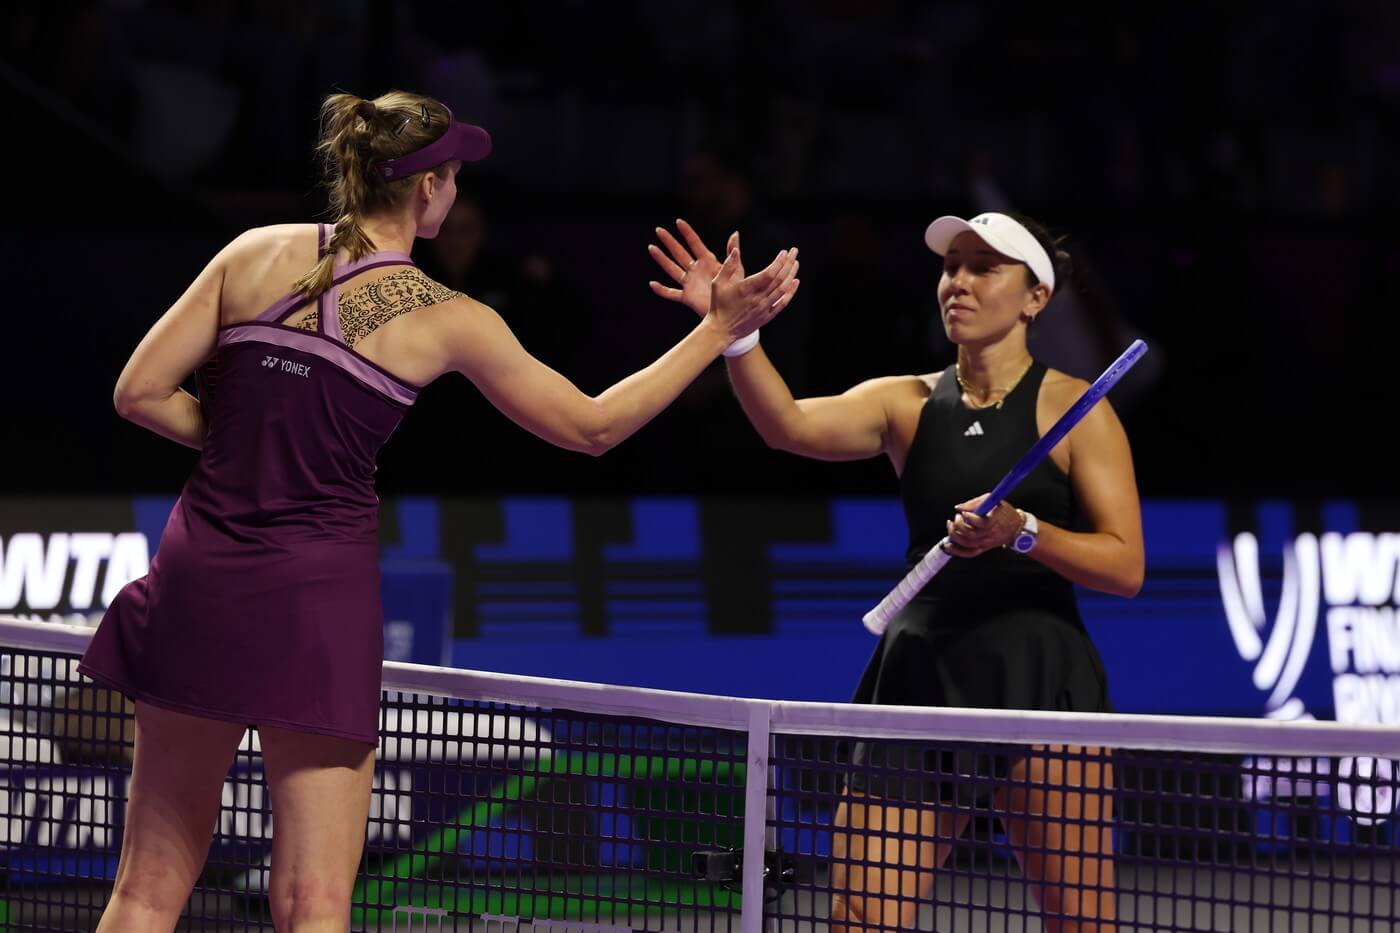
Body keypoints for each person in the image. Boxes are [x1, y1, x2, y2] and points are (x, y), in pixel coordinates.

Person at [78, 89, 799, 933]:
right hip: (313, 605)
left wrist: (250, 443)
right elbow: (593, 427)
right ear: (429, 187)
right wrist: (716, 331)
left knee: (145, 890)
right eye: (454, 177)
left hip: (197, 579)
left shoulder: (252, 252)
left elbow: (136, 392)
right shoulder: (449, 316)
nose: (455, 193)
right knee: (313, 903)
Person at [650, 212, 1142, 931]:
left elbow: (1125, 565)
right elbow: (786, 426)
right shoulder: (905, 402)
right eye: (951, 266)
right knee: (857, 916)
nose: (958, 283)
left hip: (1040, 679)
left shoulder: (1077, 409)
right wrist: (737, 333)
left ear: (1035, 297)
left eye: (984, 268)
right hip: (918, 677)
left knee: (1082, 923)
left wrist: (1023, 531)